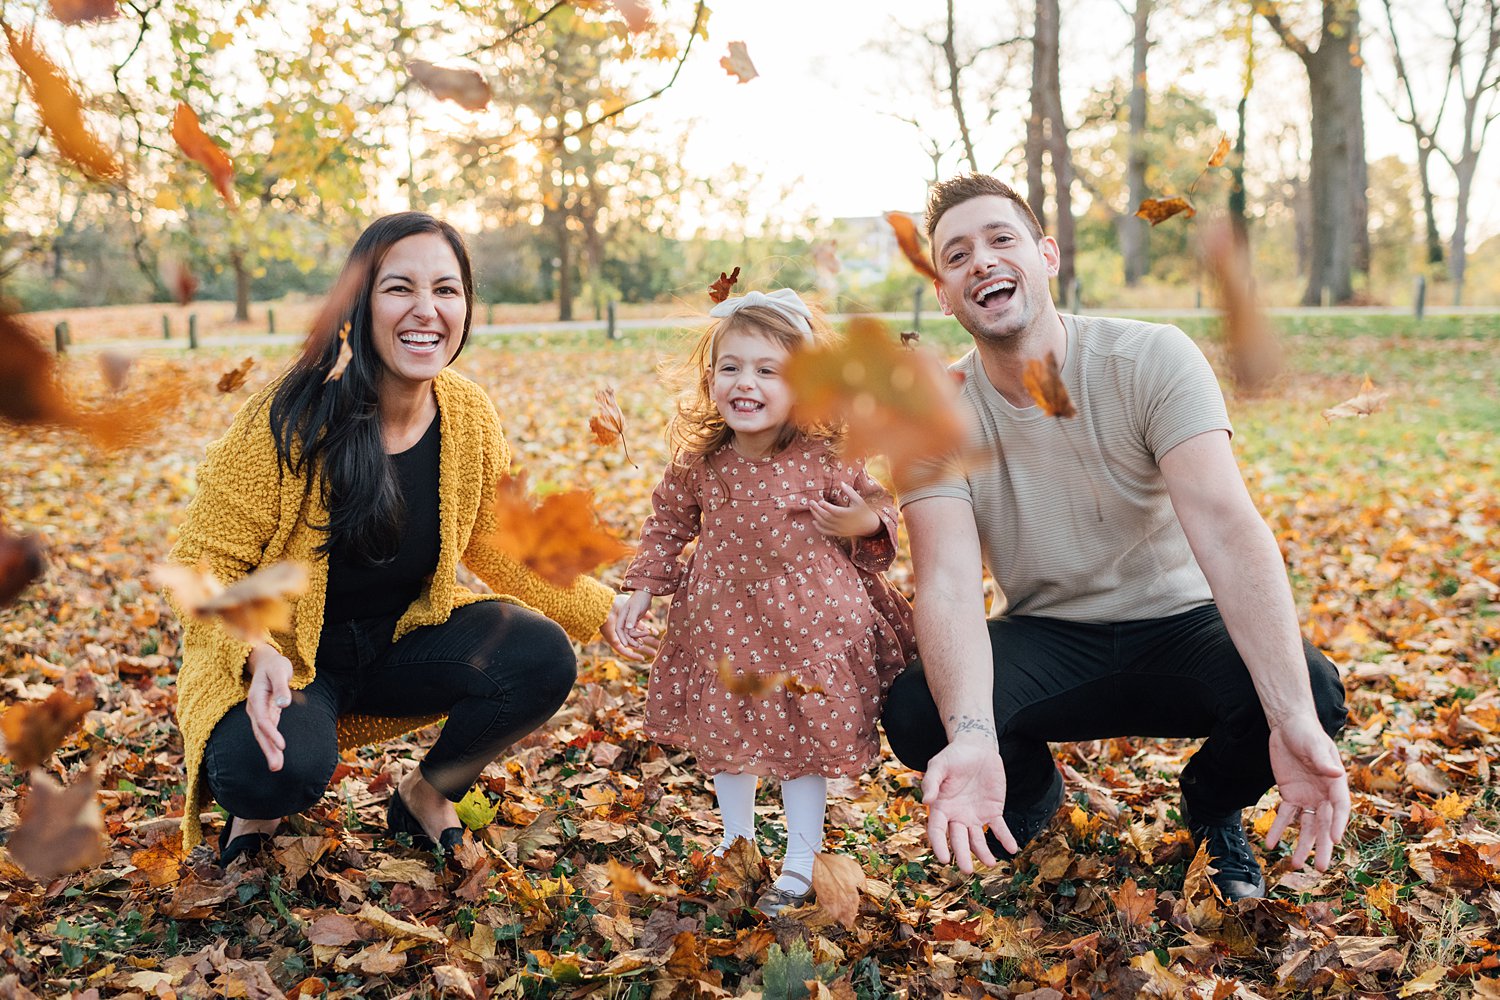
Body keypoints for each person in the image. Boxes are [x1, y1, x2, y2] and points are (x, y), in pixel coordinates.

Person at [880, 175, 1349, 900]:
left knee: (1308, 693)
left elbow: (1227, 530)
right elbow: (945, 582)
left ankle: (1213, 805)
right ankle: (1027, 803)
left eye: (1001, 240)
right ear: (943, 294)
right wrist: (971, 734)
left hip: (1182, 627)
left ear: (1046, 255)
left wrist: (1289, 716)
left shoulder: (1152, 359)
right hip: (1048, 635)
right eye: (957, 255)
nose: (983, 262)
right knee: (920, 710)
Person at [167, 212, 613, 863]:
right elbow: (199, 561)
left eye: (446, 289)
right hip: (287, 657)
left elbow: (497, 540)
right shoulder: (289, 416)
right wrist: (254, 651)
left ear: (465, 307)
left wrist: (604, 610)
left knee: (540, 656)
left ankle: (427, 795)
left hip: (401, 642)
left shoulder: (466, 412)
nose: (425, 310)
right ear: (360, 304)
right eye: (399, 288)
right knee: (271, 769)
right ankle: (254, 818)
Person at [601, 289, 916, 915]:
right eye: (731, 367)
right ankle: (737, 842)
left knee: (801, 745)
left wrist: (859, 521)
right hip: (724, 625)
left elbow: (881, 511)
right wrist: (640, 588)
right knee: (730, 735)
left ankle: (800, 860)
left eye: (768, 371)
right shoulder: (701, 462)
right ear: (710, 377)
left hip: (808, 627)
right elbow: (667, 524)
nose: (746, 383)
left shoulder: (827, 456)